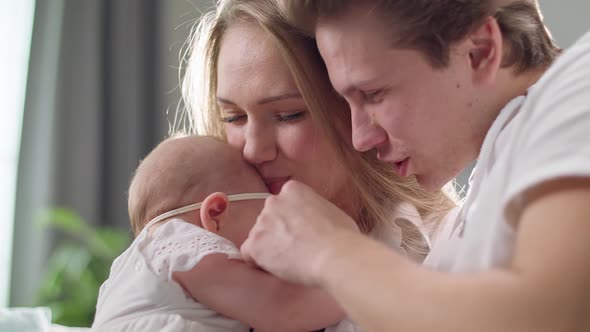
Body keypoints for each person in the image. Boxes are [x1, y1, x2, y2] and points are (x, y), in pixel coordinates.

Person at [238, 0, 590, 331]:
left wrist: (327, 249)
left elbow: (551, 317)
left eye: (374, 94)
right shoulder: (466, 220)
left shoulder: (579, 85)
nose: (361, 137)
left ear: (479, 52)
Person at [91, 135, 346, 331]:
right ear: (215, 214)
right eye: (268, 207)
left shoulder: (126, 273)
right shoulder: (182, 246)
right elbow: (284, 307)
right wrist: (352, 280)